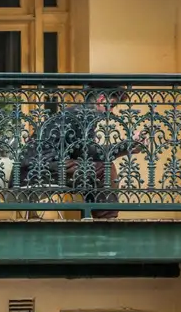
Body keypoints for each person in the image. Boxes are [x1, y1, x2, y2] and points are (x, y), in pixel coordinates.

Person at [17, 86, 131, 218]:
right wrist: (125, 147)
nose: (111, 111)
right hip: (37, 171)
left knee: (94, 169)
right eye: (112, 105)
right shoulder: (83, 114)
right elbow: (88, 152)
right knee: (105, 169)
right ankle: (106, 222)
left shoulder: (77, 112)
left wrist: (125, 147)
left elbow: (85, 153)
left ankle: (94, 217)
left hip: (30, 170)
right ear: (101, 100)